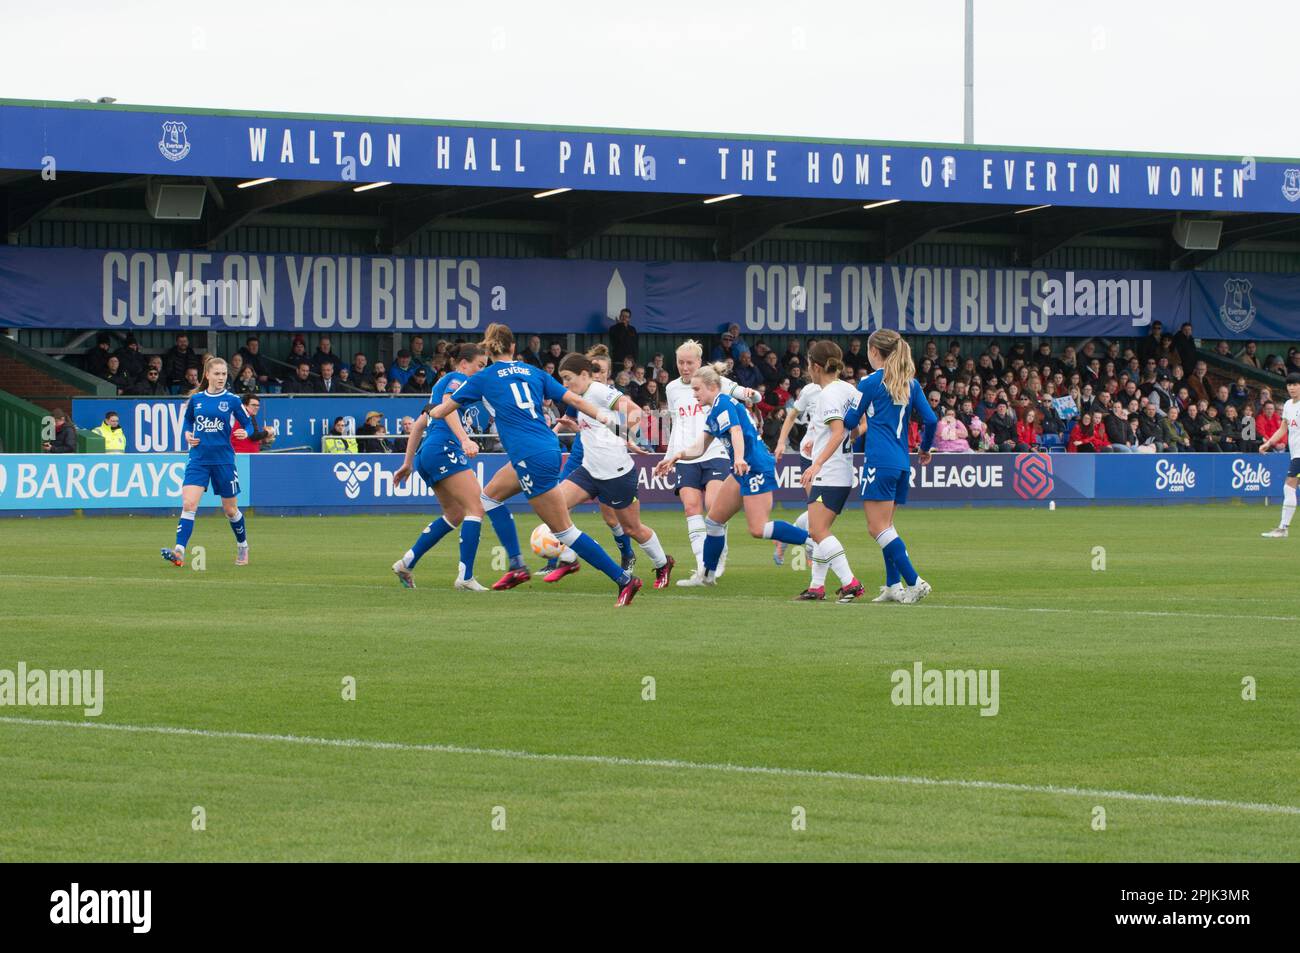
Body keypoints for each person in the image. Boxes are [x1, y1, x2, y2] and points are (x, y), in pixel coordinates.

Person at [430, 323, 643, 604]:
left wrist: (433, 405)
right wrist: (606, 420)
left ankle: (623, 579)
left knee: (564, 530)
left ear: (488, 348)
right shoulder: (533, 372)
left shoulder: (482, 378)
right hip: (544, 449)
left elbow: (441, 411)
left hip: (530, 456)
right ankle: (517, 566)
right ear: (513, 347)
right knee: (489, 498)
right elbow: (575, 400)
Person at [653, 364, 808, 588]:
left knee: (757, 529)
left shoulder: (723, 403)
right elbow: (699, 447)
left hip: (754, 467)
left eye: (697, 390)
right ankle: (707, 575)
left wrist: (738, 458)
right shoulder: (715, 409)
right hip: (742, 468)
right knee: (714, 521)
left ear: (713, 387)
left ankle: (810, 541)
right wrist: (675, 457)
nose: (694, 394)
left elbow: (735, 431)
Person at [539, 352, 676, 588]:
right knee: (555, 507)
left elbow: (636, 413)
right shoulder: (579, 397)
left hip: (617, 474)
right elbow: (598, 431)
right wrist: (578, 428)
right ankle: (571, 557)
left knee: (632, 528)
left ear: (584, 375)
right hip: (590, 471)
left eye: (568, 378)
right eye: (562, 379)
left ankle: (663, 563)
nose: (565, 385)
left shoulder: (599, 392)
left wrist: (626, 436)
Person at [391, 343, 502, 590]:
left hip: (428, 453)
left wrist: (408, 463)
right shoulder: (456, 380)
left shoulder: (441, 386)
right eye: (480, 366)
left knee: (455, 514)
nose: (482, 372)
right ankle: (465, 577)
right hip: (444, 449)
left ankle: (406, 563)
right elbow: (449, 403)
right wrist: (464, 439)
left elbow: (420, 424)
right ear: (463, 364)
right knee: (476, 507)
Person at [839, 329, 937, 605]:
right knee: (887, 526)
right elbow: (930, 420)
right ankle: (894, 585)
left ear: (873, 352)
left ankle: (915, 581)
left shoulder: (870, 382)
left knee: (876, 528)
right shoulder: (911, 383)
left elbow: (850, 421)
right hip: (901, 462)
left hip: (879, 462)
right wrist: (925, 448)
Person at [663, 339, 760, 582]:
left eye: (690, 362)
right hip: (687, 454)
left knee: (714, 508)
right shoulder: (672, 389)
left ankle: (718, 554)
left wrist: (750, 394)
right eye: (680, 362)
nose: (685, 367)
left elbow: (741, 393)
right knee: (690, 508)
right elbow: (677, 424)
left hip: (715, 451)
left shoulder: (713, 380)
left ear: (699, 361)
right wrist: (669, 457)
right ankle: (703, 568)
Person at [785, 342, 865, 602]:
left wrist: (817, 462)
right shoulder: (849, 390)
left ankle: (850, 582)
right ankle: (817, 586)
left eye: (808, 363)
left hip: (828, 472)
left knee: (817, 530)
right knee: (819, 530)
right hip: (842, 471)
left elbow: (837, 431)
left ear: (815, 366)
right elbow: (860, 425)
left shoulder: (828, 393)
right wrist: (840, 439)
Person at [160, 356, 253, 568]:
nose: (221, 377)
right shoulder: (197, 399)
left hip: (223, 460)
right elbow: (187, 422)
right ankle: (179, 551)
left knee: (230, 510)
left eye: (224, 374)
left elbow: (248, 424)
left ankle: (243, 545)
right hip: (198, 458)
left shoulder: (232, 400)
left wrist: (244, 433)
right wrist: (187, 435)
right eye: (217, 374)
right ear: (207, 375)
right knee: (189, 504)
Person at [1258, 373, 1300, 537]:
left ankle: (1283, 528)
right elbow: (1283, 429)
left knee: (1288, 486)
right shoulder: (1289, 405)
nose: (1291, 388)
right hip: (1295, 453)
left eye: (1295, 384)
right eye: (1289, 385)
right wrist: (1268, 443)